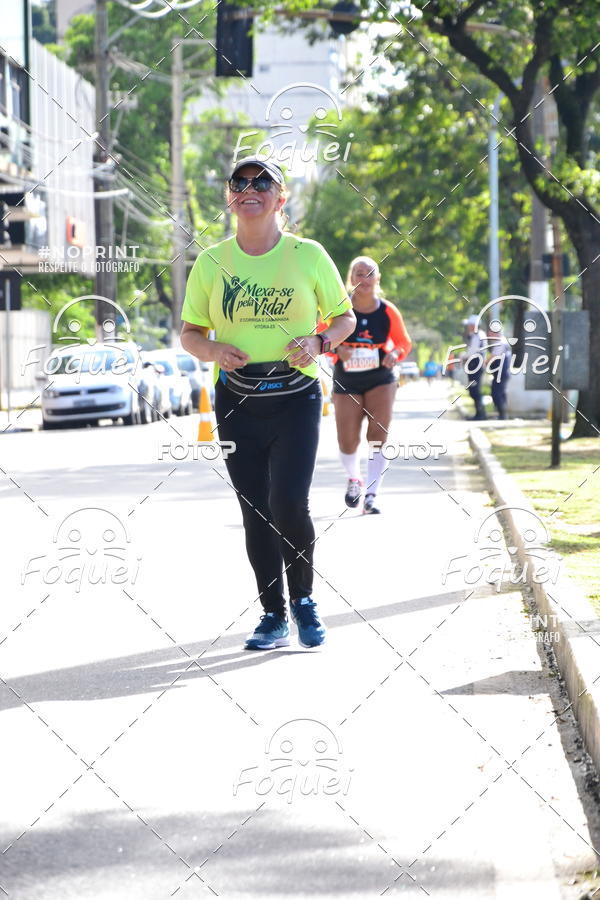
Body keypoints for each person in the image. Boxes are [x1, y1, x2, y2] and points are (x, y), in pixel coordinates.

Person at [180, 158, 355, 652]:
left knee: (288, 503)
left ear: (282, 197)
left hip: (296, 399)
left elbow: (343, 319)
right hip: (236, 401)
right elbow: (190, 333)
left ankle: (304, 601)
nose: (249, 189)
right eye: (239, 182)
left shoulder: (308, 255)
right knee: (255, 509)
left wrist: (320, 343)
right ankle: (272, 615)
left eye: (262, 182)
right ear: (229, 196)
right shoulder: (212, 262)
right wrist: (214, 350)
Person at [325, 255, 412, 515]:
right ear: (350, 279)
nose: (364, 279)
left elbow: (403, 343)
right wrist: (337, 350)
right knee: (347, 439)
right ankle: (354, 478)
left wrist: (395, 354)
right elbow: (320, 338)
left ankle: (372, 495)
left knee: (378, 435)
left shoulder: (387, 310)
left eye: (369, 273)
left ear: (377, 279)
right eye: (358, 274)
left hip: (380, 378)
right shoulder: (338, 308)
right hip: (347, 379)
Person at [463, 314, 487, 420]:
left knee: (475, 390)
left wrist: (462, 356)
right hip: (475, 363)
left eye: (469, 325)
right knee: (474, 390)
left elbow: (472, 351)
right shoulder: (477, 335)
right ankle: (479, 413)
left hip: (475, 364)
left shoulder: (477, 335)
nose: (468, 327)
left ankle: (481, 414)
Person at [486, 323, 511, 419]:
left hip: (502, 373)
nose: (489, 334)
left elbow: (493, 357)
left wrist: (484, 362)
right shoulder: (501, 341)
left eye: (491, 332)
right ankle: (502, 415)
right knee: (500, 393)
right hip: (500, 373)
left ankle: (503, 415)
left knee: (496, 393)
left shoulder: (500, 342)